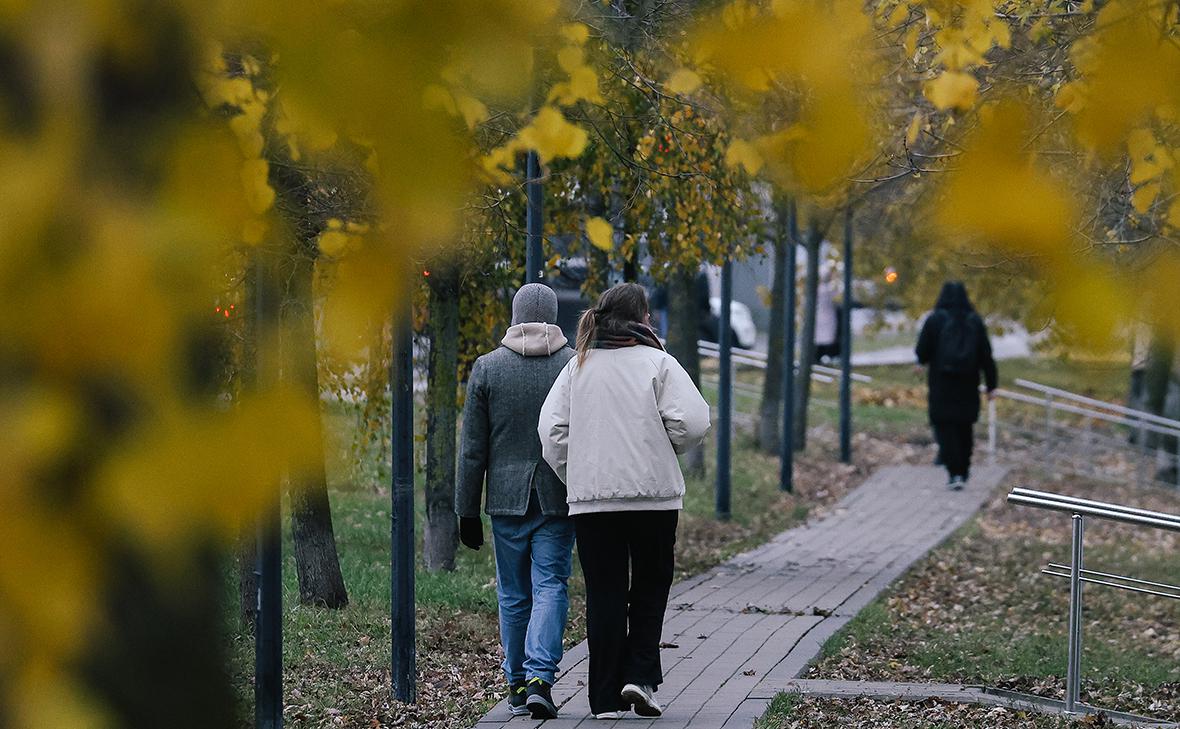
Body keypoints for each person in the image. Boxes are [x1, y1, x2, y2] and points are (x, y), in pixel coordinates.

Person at [538, 282, 711, 719]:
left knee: (604, 593)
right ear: (642, 319)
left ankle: (604, 698)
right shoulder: (659, 363)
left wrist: (573, 472)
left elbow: (551, 432)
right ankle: (640, 675)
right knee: (651, 587)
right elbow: (692, 422)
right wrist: (660, 444)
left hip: (593, 502)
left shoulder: (576, 368)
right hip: (653, 499)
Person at [456, 283, 576, 719]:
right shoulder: (572, 364)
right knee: (550, 584)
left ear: (514, 314)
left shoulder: (487, 369)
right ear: (555, 314)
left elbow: (472, 448)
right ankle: (541, 675)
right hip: (558, 497)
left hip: (505, 500)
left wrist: (466, 509)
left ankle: (516, 679)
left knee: (512, 593)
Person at [915, 281, 998, 489]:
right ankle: (964, 469)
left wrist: (923, 362)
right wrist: (991, 385)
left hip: (942, 384)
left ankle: (954, 473)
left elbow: (921, 351)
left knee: (944, 426)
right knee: (965, 427)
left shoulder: (935, 320)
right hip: (968, 384)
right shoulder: (974, 321)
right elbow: (986, 356)